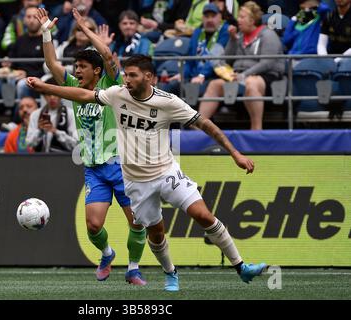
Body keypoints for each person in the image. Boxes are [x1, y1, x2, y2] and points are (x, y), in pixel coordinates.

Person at [26, 54, 267, 292]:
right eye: (126, 75)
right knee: (156, 232)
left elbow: (205, 124)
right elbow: (83, 95)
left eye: (132, 75)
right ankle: (170, 273)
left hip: (166, 172)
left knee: (203, 215)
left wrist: (235, 153)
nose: (127, 80)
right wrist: (44, 86)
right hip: (136, 182)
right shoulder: (118, 94)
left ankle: (241, 266)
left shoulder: (168, 102)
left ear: (149, 77)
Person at [36, 8, 147, 285]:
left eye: (82, 67)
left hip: (121, 165)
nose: (76, 71)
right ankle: (107, 253)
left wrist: (86, 31)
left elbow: (109, 58)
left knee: (137, 222)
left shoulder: (111, 84)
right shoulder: (74, 86)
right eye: (75, 67)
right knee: (93, 226)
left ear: (95, 71)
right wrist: (46, 32)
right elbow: (51, 63)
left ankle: (133, 268)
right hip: (94, 168)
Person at [198, 1, 285, 130]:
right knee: (214, 85)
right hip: (239, 76)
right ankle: (199, 127)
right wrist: (232, 39)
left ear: (252, 20)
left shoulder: (268, 34)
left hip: (266, 77)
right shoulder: (239, 36)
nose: (238, 20)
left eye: (242, 17)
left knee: (251, 83)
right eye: (239, 17)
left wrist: (244, 75)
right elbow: (226, 59)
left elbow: (267, 63)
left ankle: (256, 129)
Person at [163, 3, 230, 97]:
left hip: (213, 76)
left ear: (220, 17)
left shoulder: (225, 31)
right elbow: (190, 58)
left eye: (213, 16)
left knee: (192, 91)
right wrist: (182, 75)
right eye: (207, 16)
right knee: (169, 86)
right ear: (202, 18)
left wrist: (202, 75)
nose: (210, 20)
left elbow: (216, 57)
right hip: (194, 75)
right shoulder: (198, 32)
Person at [26, 77, 77, 152]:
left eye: (55, 94)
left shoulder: (70, 114)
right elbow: (29, 143)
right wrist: (39, 130)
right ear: (43, 95)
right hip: (40, 159)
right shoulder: (35, 114)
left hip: (64, 160)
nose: (52, 97)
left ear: (61, 95)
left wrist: (55, 132)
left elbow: (76, 145)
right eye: (48, 94)